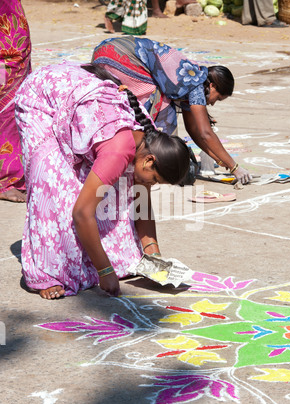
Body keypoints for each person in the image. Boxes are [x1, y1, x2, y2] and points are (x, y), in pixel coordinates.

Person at [14, 61, 190, 300]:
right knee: (54, 185)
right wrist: (105, 271)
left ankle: (106, 258)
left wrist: (154, 257)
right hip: (43, 97)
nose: (152, 185)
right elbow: (82, 213)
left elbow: (141, 204)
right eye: (155, 180)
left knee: (119, 188)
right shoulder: (120, 150)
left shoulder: (148, 138)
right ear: (149, 161)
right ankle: (48, 274)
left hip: (75, 95)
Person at [92, 36, 252, 184]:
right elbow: (205, 133)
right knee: (160, 107)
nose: (213, 103)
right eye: (217, 98)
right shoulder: (197, 84)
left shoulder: (190, 82)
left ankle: (114, 150)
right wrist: (235, 167)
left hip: (105, 51)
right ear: (212, 86)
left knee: (128, 105)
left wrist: (218, 159)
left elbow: (194, 131)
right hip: (120, 57)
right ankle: (140, 159)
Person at [0, 0, 31, 203]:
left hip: (14, 50)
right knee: (5, 114)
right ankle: (5, 180)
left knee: (13, 112)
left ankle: (12, 174)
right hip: (6, 55)